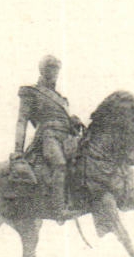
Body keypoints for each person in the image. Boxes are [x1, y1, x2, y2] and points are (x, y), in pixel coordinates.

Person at [13, 55, 83, 221]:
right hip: (48, 136)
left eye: (56, 69)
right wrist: (18, 150)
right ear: (42, 70)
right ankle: (59, 210)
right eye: (50, 68)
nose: (54, 72)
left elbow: (64, 121)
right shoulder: (31, 92)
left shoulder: (62, 99)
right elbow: (22, 120)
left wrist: (73, 122)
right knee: (59, 165)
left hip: (66, 138)